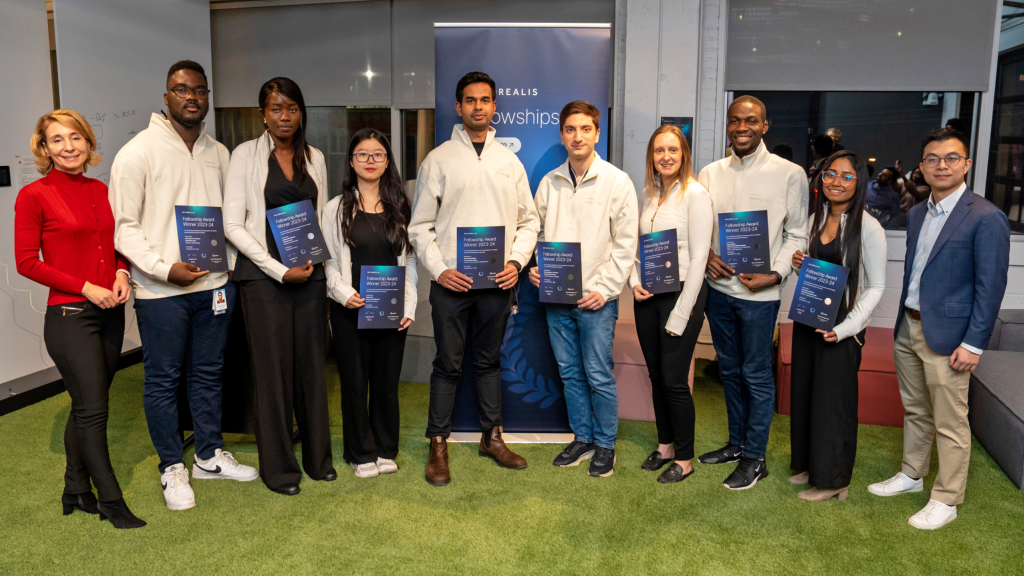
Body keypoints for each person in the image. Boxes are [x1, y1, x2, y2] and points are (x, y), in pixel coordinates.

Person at [109, 60, 258, 511]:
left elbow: (234, 217)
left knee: (209, 373)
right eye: (181, 89)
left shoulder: (219, 152)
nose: (191, 97)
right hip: (162, 294)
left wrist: (230, 266)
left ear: (207, 96)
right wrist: (162, 268)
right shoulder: (137, 152)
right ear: (166, 97)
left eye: (199, 90)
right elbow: (124, 228)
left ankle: (208, 456)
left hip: (214, 288)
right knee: (163, 380)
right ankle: (172, 465)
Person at [868, 127, 1010, 530]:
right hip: (909, 327)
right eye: (932, 158)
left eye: (951, 158)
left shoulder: (987, 217)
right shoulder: (917, 212)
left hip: (950, 339)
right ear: (922, 166)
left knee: (950, 422)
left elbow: (990, 287)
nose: (941, 165)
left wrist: (974, 343)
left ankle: (947, 499)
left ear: (966, 164)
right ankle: (912, 475)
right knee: (916, 410)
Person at [409, 71, 540, 486]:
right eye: (470, 100)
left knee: (488, 362)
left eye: (484, 100)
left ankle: (491, 437)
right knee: (447, 364)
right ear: (459, 106)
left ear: (494, 106)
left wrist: (516, 263)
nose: (478, 107)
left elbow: (529, 222)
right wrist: (440, 270)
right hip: (452, 284)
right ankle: (438, 443)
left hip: (497, 284)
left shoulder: (509, 162)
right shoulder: (438, 159)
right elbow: (419, 226)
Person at [14, 110, 145, 529]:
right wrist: (85, 286)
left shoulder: (101, 189)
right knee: (94, 411)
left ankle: (75, 487)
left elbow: (117, 242)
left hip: (111, 313)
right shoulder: (34, 195)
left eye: (75, 138)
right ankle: (111, 500)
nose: (68, 147)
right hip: (70, 316)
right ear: (44, 148)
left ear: (88, 143)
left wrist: (122, 272)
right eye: (57, 140)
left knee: (86, 405)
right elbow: (25, 262)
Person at [223, 77, 335, 495]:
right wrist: (277, 269)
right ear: (263, 114)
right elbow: (232, 224)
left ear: (301, 112)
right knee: (272, 374)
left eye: (292, 108)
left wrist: (319, 269)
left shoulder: (315, 157)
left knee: (312, 367)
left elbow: (320, 218)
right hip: (263, 279)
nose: (284, 116)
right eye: (276, 108)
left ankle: (318, 460)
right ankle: (280, 469)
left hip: (310, 275)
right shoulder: (244, 155)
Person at [698, 95, 809, 490]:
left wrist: (775, 275)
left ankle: (755, 458)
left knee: (756, 375)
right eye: (735, 120)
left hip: (760, 298)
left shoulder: (789, 174)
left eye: (750, 120)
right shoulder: (710, 173)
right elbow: (698, 226)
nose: (741, 127)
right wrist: (707, 255)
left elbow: (797, 234)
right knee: (728, 371)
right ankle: (737, 443)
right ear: (727, 125)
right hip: (719, 291)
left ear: (765, 126)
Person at [529, 101, 639, 478]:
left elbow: (625, 243)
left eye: (585, 129)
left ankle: (605, 444)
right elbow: (537, 232)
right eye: (571, 129)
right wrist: (540, 268)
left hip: (597, 300)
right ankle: (583, 438)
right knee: (570, 374)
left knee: (598, 374)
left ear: (597, 133)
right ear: (562, 135)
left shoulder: (617, 182)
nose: (578, 136)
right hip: (556, 298)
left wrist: (605, 290)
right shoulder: (550, 182)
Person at [788, 150, 886, 502]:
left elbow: (876, 287)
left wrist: (846, 328)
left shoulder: (869, 227)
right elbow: (818, 273)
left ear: (859, 183)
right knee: (805, 395)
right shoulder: (817, 218)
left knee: (832, 404)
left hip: (842, 327)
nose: (836, 182)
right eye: (830, 174)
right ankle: (810, 466)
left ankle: (833, 481)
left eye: (847, 176)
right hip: (809, 320)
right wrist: (799, 264)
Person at [324, 128, 417, 479]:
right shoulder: (336, 208)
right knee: (354, 382)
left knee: (386, 383)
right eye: (362, 154)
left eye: (377, 154)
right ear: (351, 161)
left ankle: (385, 448)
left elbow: (410, 261)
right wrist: (341, 292)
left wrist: (408, 305)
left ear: (387, 161)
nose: (370, 160)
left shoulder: (400, 207)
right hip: (351, 309)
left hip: (391, 310)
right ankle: (360, 452)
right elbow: (328, 260)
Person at [628, 125, 711, 484]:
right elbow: (635, 248)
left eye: (673, 150)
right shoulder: (647, 194)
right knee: (657, 376)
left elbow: (700, 257)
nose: (666, 157)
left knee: (675, 380)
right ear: (651, 156)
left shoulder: (696, 194)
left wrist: (682, 312)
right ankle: (665, 446)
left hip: (682, 294)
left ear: (683, 154)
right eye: (659, 150)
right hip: (648, 296)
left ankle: (685, 458)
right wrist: (633, 283)